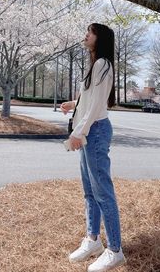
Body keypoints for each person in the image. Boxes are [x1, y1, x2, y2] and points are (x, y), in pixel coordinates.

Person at [60, 23, 126, 272]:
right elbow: (91, 100)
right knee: (90, 191)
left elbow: (97, 105)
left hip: (95, 131)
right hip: (92, 130)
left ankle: (115, 250)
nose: (86, 35)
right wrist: (73, 103)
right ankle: (93, 240)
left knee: (102, 193)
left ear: (101, 38)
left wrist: (79, 133)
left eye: (91, 31)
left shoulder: (102, 64)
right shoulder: (98, 65)